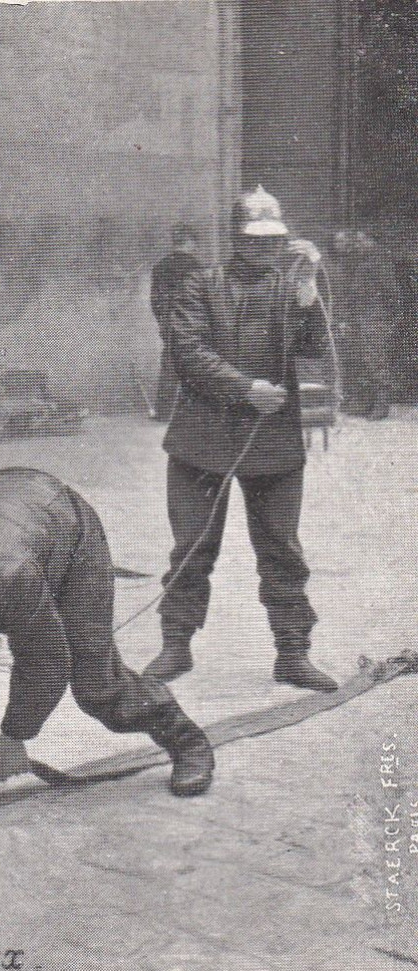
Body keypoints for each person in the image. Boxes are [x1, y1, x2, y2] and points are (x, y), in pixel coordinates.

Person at [0, 469, 216, 832]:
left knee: (95, 681)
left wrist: (16, 735)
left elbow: (46, 662)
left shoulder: (9, 578)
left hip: (63, 526)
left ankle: (184, 739)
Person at [145, 186, 337, 693]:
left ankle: (293, 652)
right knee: (191, 547)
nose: (265, 249)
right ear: (235, 238)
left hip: (273, 441)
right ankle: (176, 644)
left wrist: (309, 288)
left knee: (281, 550)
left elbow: (317, 349)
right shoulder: (197, 285)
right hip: (201, 439)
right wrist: (245, 388)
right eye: (254, 240)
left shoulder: (292, 287)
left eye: (273, 240)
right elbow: (186, 352)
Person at [328, 229, 405, 419]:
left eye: (363, 241)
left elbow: (393, 296)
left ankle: (381, 406)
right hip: (361, 319)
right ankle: (366, 403)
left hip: (375, 320)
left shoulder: (380, 263)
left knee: (376, 362)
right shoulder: (360, 263)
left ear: (373, 241)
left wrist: (388, 320)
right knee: (362, 361)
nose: (358, 245)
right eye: (357, 242)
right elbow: (353, 296)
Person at [150, 223, 205, 419]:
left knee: (170, 364)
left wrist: (164, 321)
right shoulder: (197, 268)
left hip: (169, 323)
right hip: (192, 323)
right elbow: (202, 299)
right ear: (190, 242)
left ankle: (164, 411)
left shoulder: (159, 268)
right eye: (195, 242)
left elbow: (155, 301)